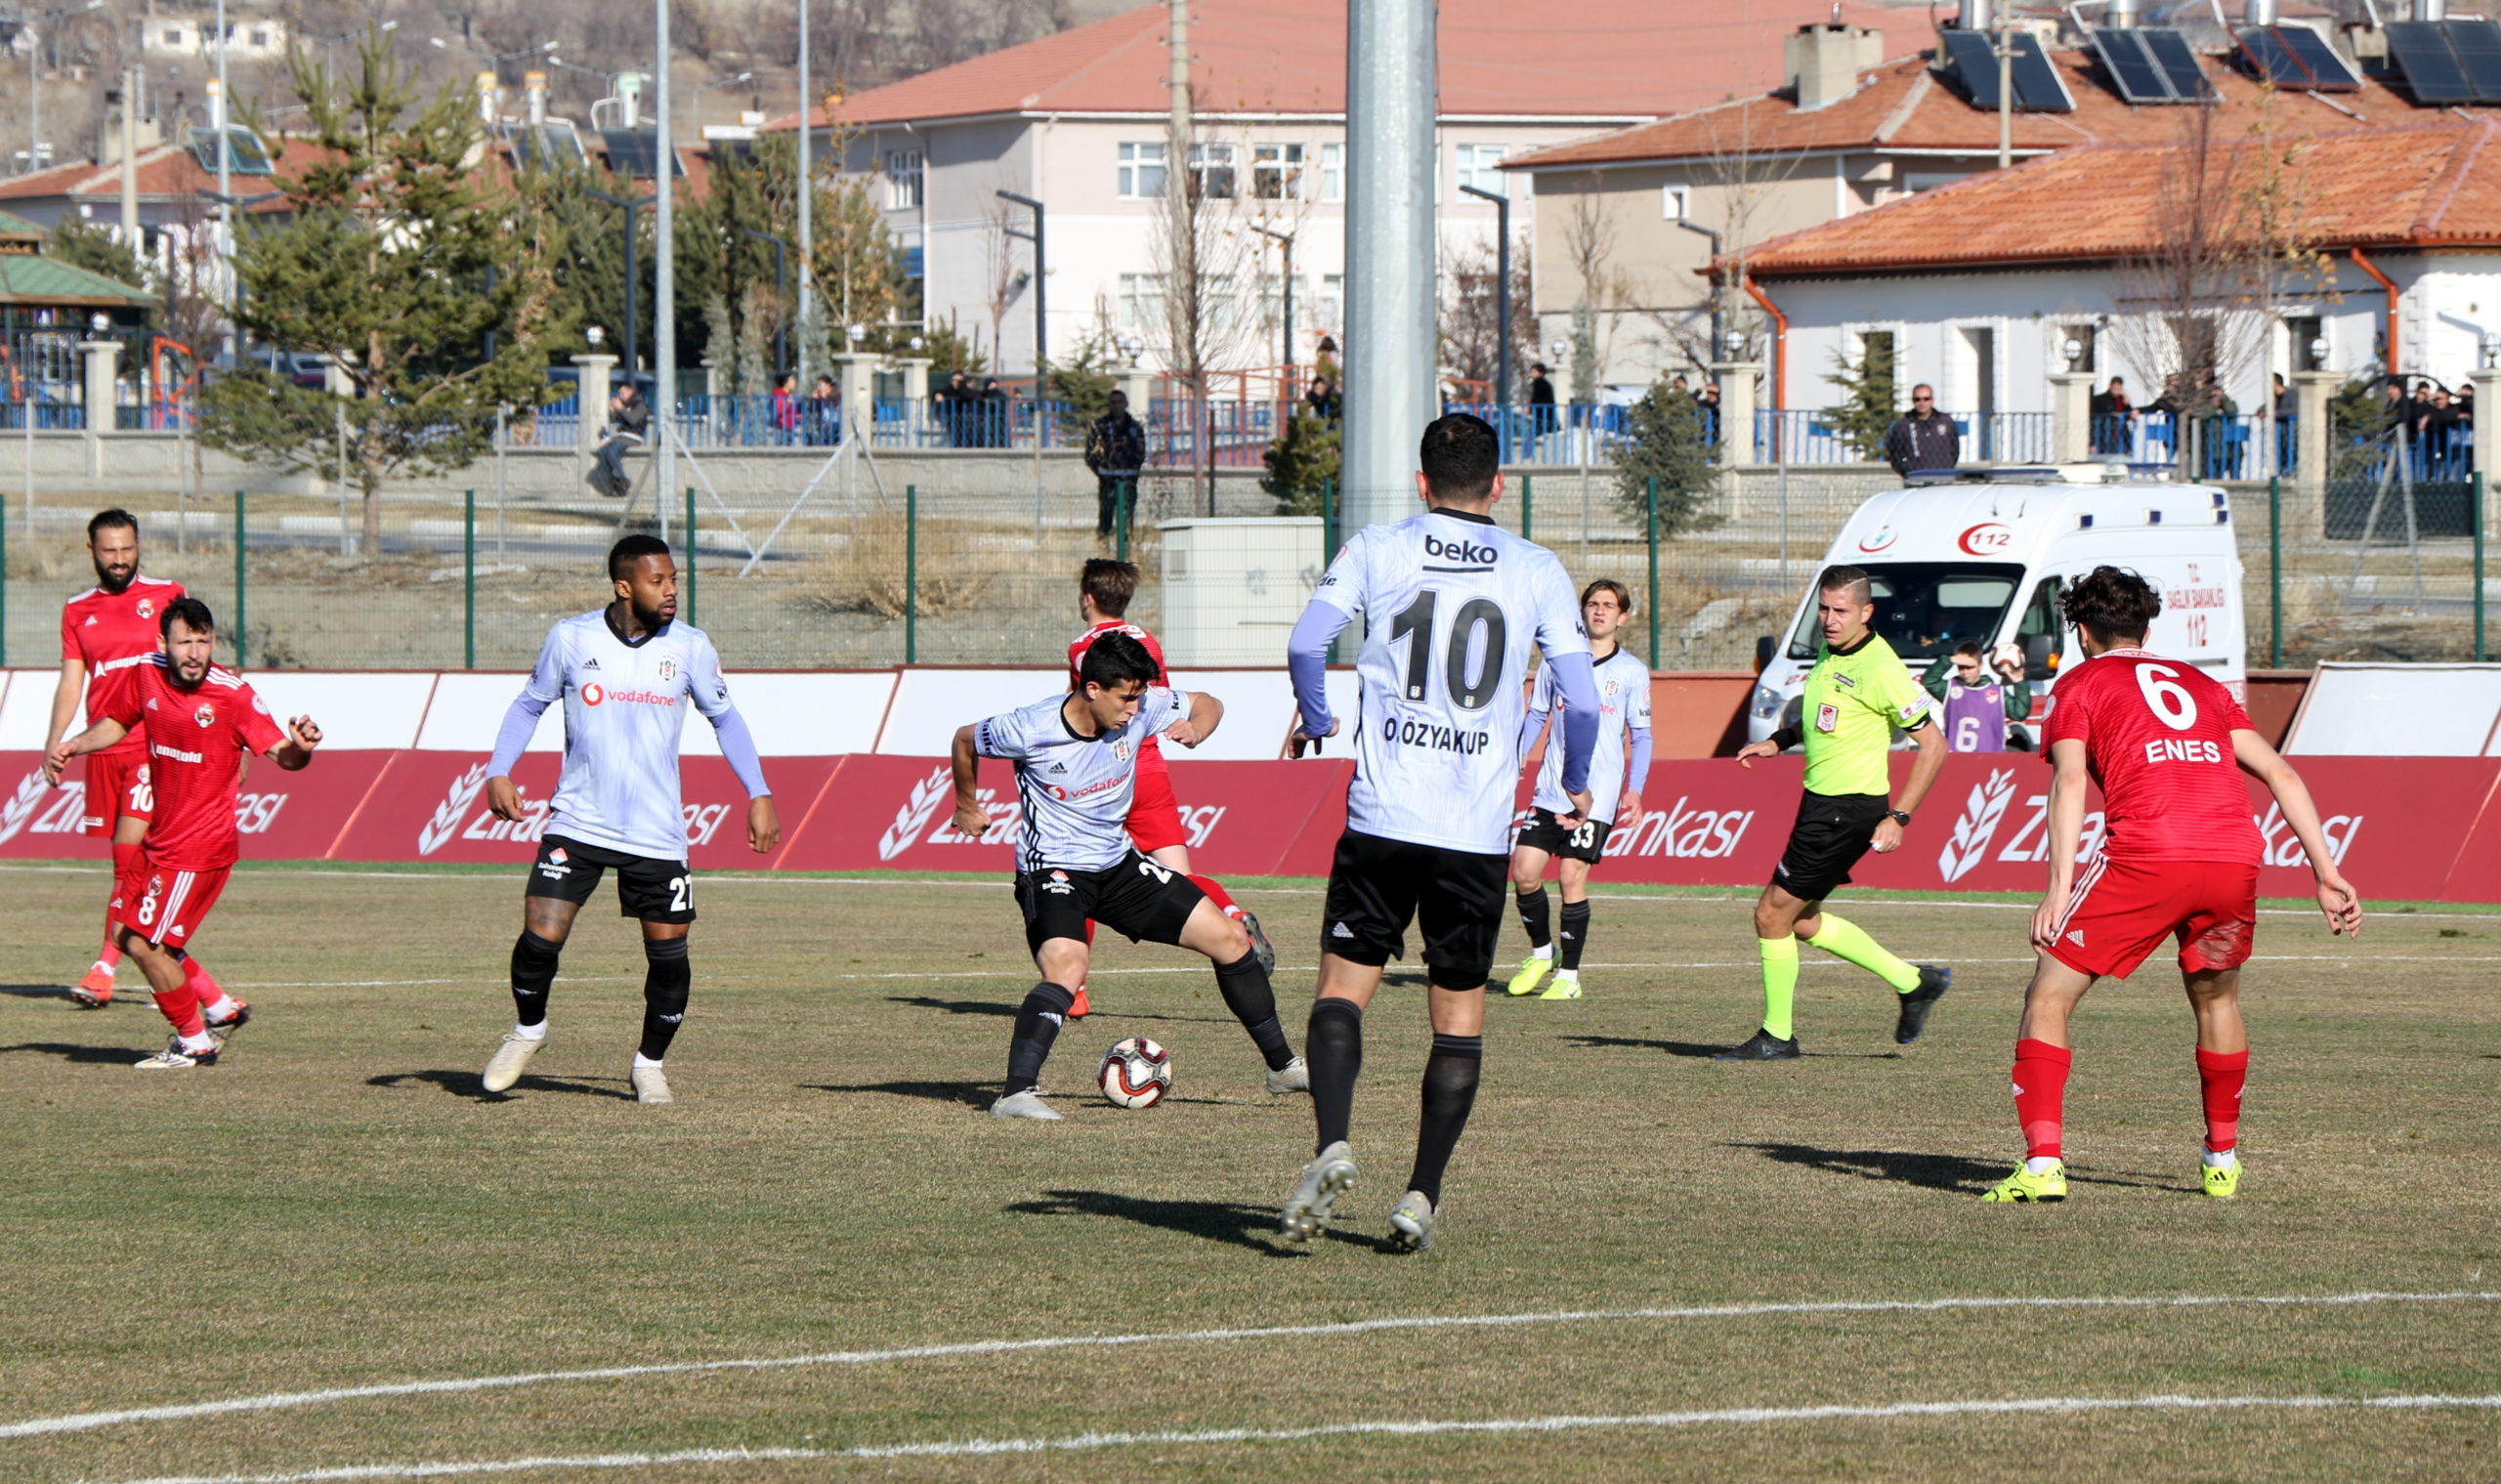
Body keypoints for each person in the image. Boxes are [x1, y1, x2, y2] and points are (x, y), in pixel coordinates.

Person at [1279, 411, 1598, 1252]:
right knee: (1457, 1018)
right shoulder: (1536, 567)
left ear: (1420, 482)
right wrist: (1574, 778)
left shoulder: (1378, 546)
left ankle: (1334, 1143)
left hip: (1383, 819)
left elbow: (1307, 643)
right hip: (1474, 830)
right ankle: (1420, 1194)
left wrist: (1317, 716)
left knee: (1341, 990)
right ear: (1500, 485)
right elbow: (1583, 699)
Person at [1982, 566, 2361, 1203]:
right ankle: (2221, 1161)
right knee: (2216, 1002)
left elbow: (2069, 781)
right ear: (2146, 629)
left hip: (2149, 853)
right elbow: (2281, 774)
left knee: (2048, 996)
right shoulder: (2203, 685)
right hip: (2232, 856)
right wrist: (2326, 871)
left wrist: (2058, 888)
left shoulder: (2080, 683)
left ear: (2081, 632)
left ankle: (2043, 1167)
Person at [476, 535, 782, 1106]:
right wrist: (499, 770)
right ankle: (528, 1030)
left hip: (656, 832)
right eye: (657, 581)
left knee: (668, 958)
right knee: (540, 939)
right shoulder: (572, 638)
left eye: (674, 579)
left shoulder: (690, 646)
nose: (671, 591)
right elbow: (529, 704)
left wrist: (758, 791)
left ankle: (649, 1066)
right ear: (623, 586)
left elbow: (726, 719)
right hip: (578, 822)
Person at [954, 632, 1304, 1120]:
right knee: (1068, 967)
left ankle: (1283, 1069)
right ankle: (1016, 1093)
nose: (1135, 710)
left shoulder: (1142, 707)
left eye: (1139, 697)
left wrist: (1197, 729)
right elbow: (965, 739)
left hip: (1118, 865)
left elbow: (1208, 702)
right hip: (1053, 869)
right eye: (1125, 698)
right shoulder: (1029, 726)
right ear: (1092, 688)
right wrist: (966, 804)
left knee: (1231, 938)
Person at [44, 597, 321, 1068]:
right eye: (184, 642)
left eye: (203, 641)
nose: (194, 653)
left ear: (213, 642)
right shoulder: (145, 673)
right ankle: (219, 1008)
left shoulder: (233, 695)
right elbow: (118, 721)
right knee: (129, 932)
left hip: (198, 847)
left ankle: (193, 1040)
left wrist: (302, 749)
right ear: (162, 643)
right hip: (160, 838)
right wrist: (74, 744)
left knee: (143, 943)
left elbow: (283, 755)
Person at [1719, 566, 1953, 1060]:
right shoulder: (1831, 650)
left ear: (1866, 612)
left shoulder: (1882, 668)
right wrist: (1778, 740)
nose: (1828, 619)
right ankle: (1914, 982)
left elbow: (1934, 746)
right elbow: (1823, 716)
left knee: (1770, 915)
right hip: (1821, 804)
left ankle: (1777, 1037)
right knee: (1801, 921)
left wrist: (1899, 817)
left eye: (1840, 611)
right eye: (1823, 609)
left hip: (1846, 811)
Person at [1065, 558, 1276, 1019]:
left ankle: (1074, 990)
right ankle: (1232, 914)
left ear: (1088, 597)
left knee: (1075, 875)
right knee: (1178, 876)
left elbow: (1081, 712)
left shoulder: (1084, 647)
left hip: (1109, 776)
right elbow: (1162, 699)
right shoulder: (1147, 640)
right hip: (1151, 769)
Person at [49, 508, 204, 1008]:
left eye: (127, 548)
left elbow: (195, 665)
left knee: (127, 861)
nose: (120, 559)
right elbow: (72, 680)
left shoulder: (167, 594)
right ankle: (206, 990)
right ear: (91, 551)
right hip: (103, 745)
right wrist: (57, 741)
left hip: (153, 746)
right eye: (110, 550)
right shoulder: (77, 610)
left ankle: (104, 968)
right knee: (135, 869)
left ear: (139, 546)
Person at [1505, 578, 1653, 1001]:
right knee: (1524, 873)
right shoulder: (1556, 662)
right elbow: (1537, 715)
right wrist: (1518, 755)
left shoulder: (1631, 671)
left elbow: (1641, 735)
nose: (1600, 611)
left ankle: (1569, 977)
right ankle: (1542, 952)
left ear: (1622, 618)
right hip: (1550, 789)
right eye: (1593, 603)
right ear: (1582, 610)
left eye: (1609, 605)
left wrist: (1634, 789)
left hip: (1597, 795)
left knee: (1571, 876)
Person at [1921, 640, 2032, 753]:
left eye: (1970, 667)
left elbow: (2019, 713)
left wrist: (2019, 683)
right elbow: (1929, 681)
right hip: (1956, 756)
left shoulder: (1996, 692)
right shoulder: (1950, 689)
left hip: (1990, 756)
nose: (1965, 672)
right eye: (1961, 667)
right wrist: (1948, 660)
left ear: (1980, 666)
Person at [1084, 392, 1147, 540]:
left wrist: (1131, 471)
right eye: (1113, 402)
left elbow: (1140, 453)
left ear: (1126, 404)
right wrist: (1103, 471)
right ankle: (1103, 550)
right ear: (1108, 405)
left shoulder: (1135, 427)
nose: (1117, 406)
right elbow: (1091, 454)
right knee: (1105, 523)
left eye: (1120, 402)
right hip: (1107, 482)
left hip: (1128, 481)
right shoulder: (1099, 426)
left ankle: (1126, 550)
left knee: (1126, 523)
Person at [588, 381, 649, 499]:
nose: (621, 396)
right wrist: (612, 410)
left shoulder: (639, 404)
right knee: (602, 452)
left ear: (630, 391)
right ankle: (613, 482)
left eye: (623, 393)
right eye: (619, 393)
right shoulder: (625, 405)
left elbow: (633, 420)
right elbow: (615, 420)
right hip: (623, 436)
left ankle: (622, 481)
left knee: (612, 452)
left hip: (633, 437)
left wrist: (621, 408)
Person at [1884, 383, 1958, 477]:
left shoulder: (1946, 421)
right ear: (1912, 401)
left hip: (1943, 478)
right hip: (1915, 479)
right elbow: (1894, 455)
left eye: (1926, 399)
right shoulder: (1903, 425)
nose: (1922, 403)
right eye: (1917, 399)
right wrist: (1907, 472)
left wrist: (1947, 468)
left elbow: (1955, 450)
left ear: (1932, 400)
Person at [2088, 376, 2133, 455]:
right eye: (2115, 387)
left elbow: (2128, 416)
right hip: (2105, 435)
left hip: (2121, 435)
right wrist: (2092, 443)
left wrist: (2127, 404)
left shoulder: (2122, 399)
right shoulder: (2099, 399)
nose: (2116, 390)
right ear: (2110, 386)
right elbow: (2092, 420)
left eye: (2119, 388)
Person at [770, 373, 801, 444]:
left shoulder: (790, 395)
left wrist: (798, 415)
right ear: (785, 382)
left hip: (790, 427)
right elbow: (778, 410)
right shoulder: (779, 393)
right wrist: (787, 403)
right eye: (792, 380)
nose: (795, 382)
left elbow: (793, 411)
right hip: (781, 427)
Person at [1526, 361, 1556, 434]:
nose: (1531, 374)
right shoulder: (1538, 384)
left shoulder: (1541, 384)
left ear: (1541, 373)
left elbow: (1540, 399)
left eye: (1534, 372)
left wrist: (1531, 405)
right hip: (1542, 415)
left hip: (1543, 415)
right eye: (1531, 372)